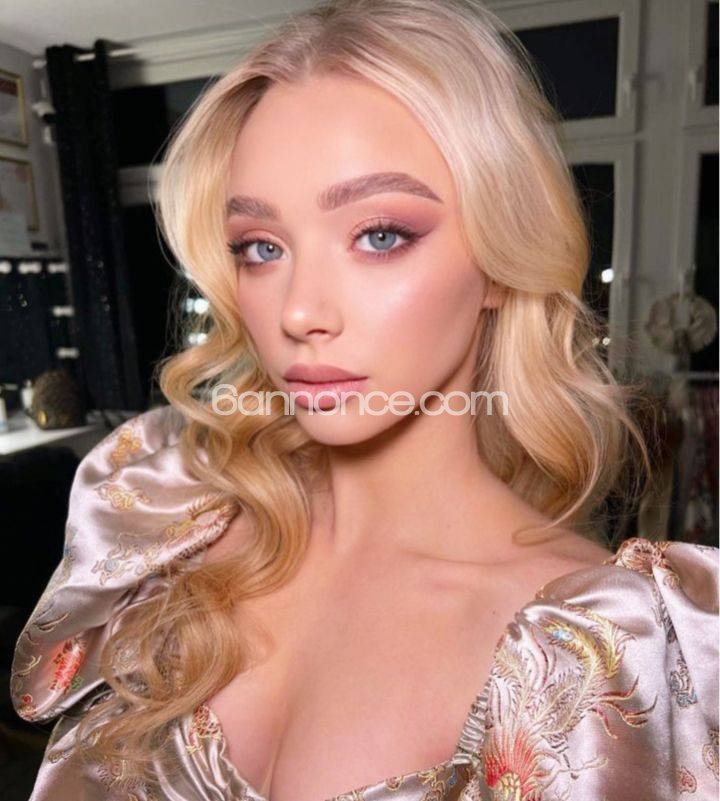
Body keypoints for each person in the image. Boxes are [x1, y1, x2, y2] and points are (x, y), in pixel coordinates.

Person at [11, 1, 719, 799]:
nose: (299, 311)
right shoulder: (162, 521)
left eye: (380, 235)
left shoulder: (606, 650)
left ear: (499, 258)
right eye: (261, 247)